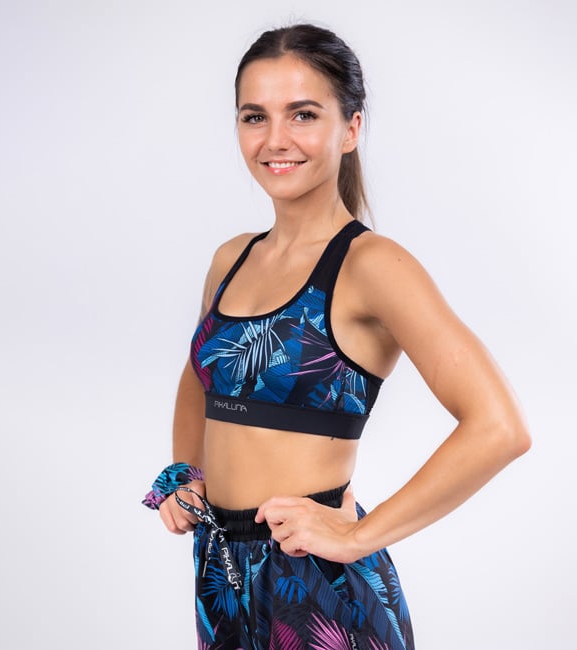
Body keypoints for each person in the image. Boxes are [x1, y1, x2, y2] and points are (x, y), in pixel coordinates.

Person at [143, 23, 531, 650]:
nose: (275, 139)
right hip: (220, 574)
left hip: (318, 585)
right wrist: (186, 473)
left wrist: (356, 536)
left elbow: (500, 427)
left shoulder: (372, 266)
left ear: (350, 129)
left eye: (302, 114)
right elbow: (200, 380)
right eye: (254, 116)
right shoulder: (231, 259)